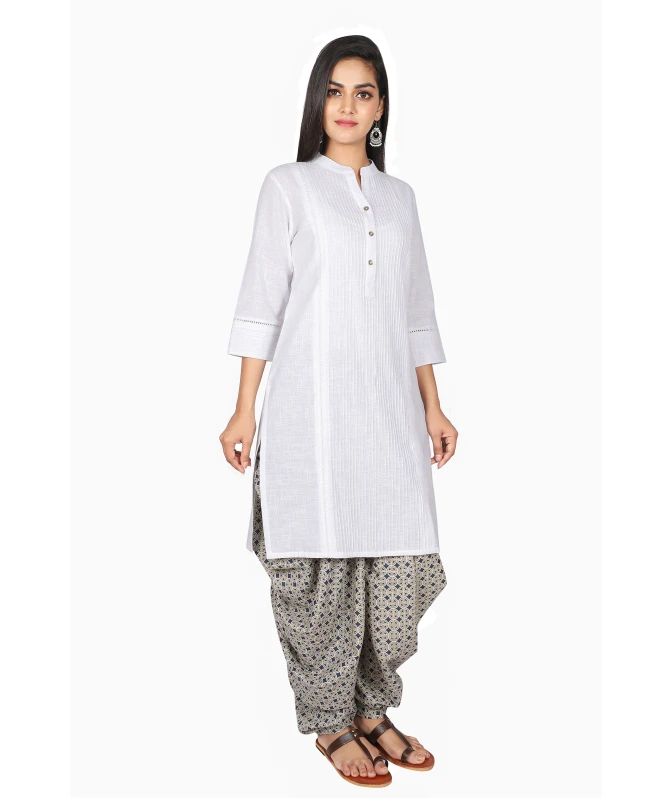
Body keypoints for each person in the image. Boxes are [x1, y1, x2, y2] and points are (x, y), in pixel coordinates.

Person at [220, 34, 458, 788]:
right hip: (311, 417)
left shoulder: (400, 199)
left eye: (364, 92)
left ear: (381, 105)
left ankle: (373, 708)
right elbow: (263, 300)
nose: (348, 106)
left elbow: (416, 312)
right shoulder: (289, 186)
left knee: (398, 569)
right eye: (335, 90)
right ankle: (332, 721)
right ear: (317, 100)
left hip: (389, 417)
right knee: (320, 570)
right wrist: (243, 410)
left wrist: (434, 406)